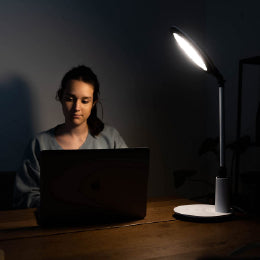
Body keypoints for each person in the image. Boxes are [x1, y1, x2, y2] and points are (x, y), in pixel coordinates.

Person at [14, 65, 127, 208]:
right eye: (70, 99)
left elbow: (126, 186)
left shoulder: (111, 138)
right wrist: (64, 205)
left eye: (85, 101)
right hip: (54, 228)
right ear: (60, 97)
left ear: (93, 103)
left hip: (101, 224)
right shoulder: (39, 143)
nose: (76, 107)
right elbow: (24, 198)